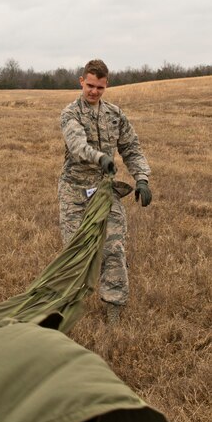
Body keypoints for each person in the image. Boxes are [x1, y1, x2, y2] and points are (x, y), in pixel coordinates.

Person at [58, 59, 152, 324]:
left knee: (114, 245)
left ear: (106, 85)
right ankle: (66, 305)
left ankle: (113, 307)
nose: (94, 92)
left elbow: (131, 148)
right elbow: (77, 145)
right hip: (75, 192)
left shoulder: (115, 114)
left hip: (103, 191)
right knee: (75, 253)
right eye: (89, 86)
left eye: (99, 87)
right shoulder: (70, 114)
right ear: (81, 82)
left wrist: (142, 178)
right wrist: (100, 158)